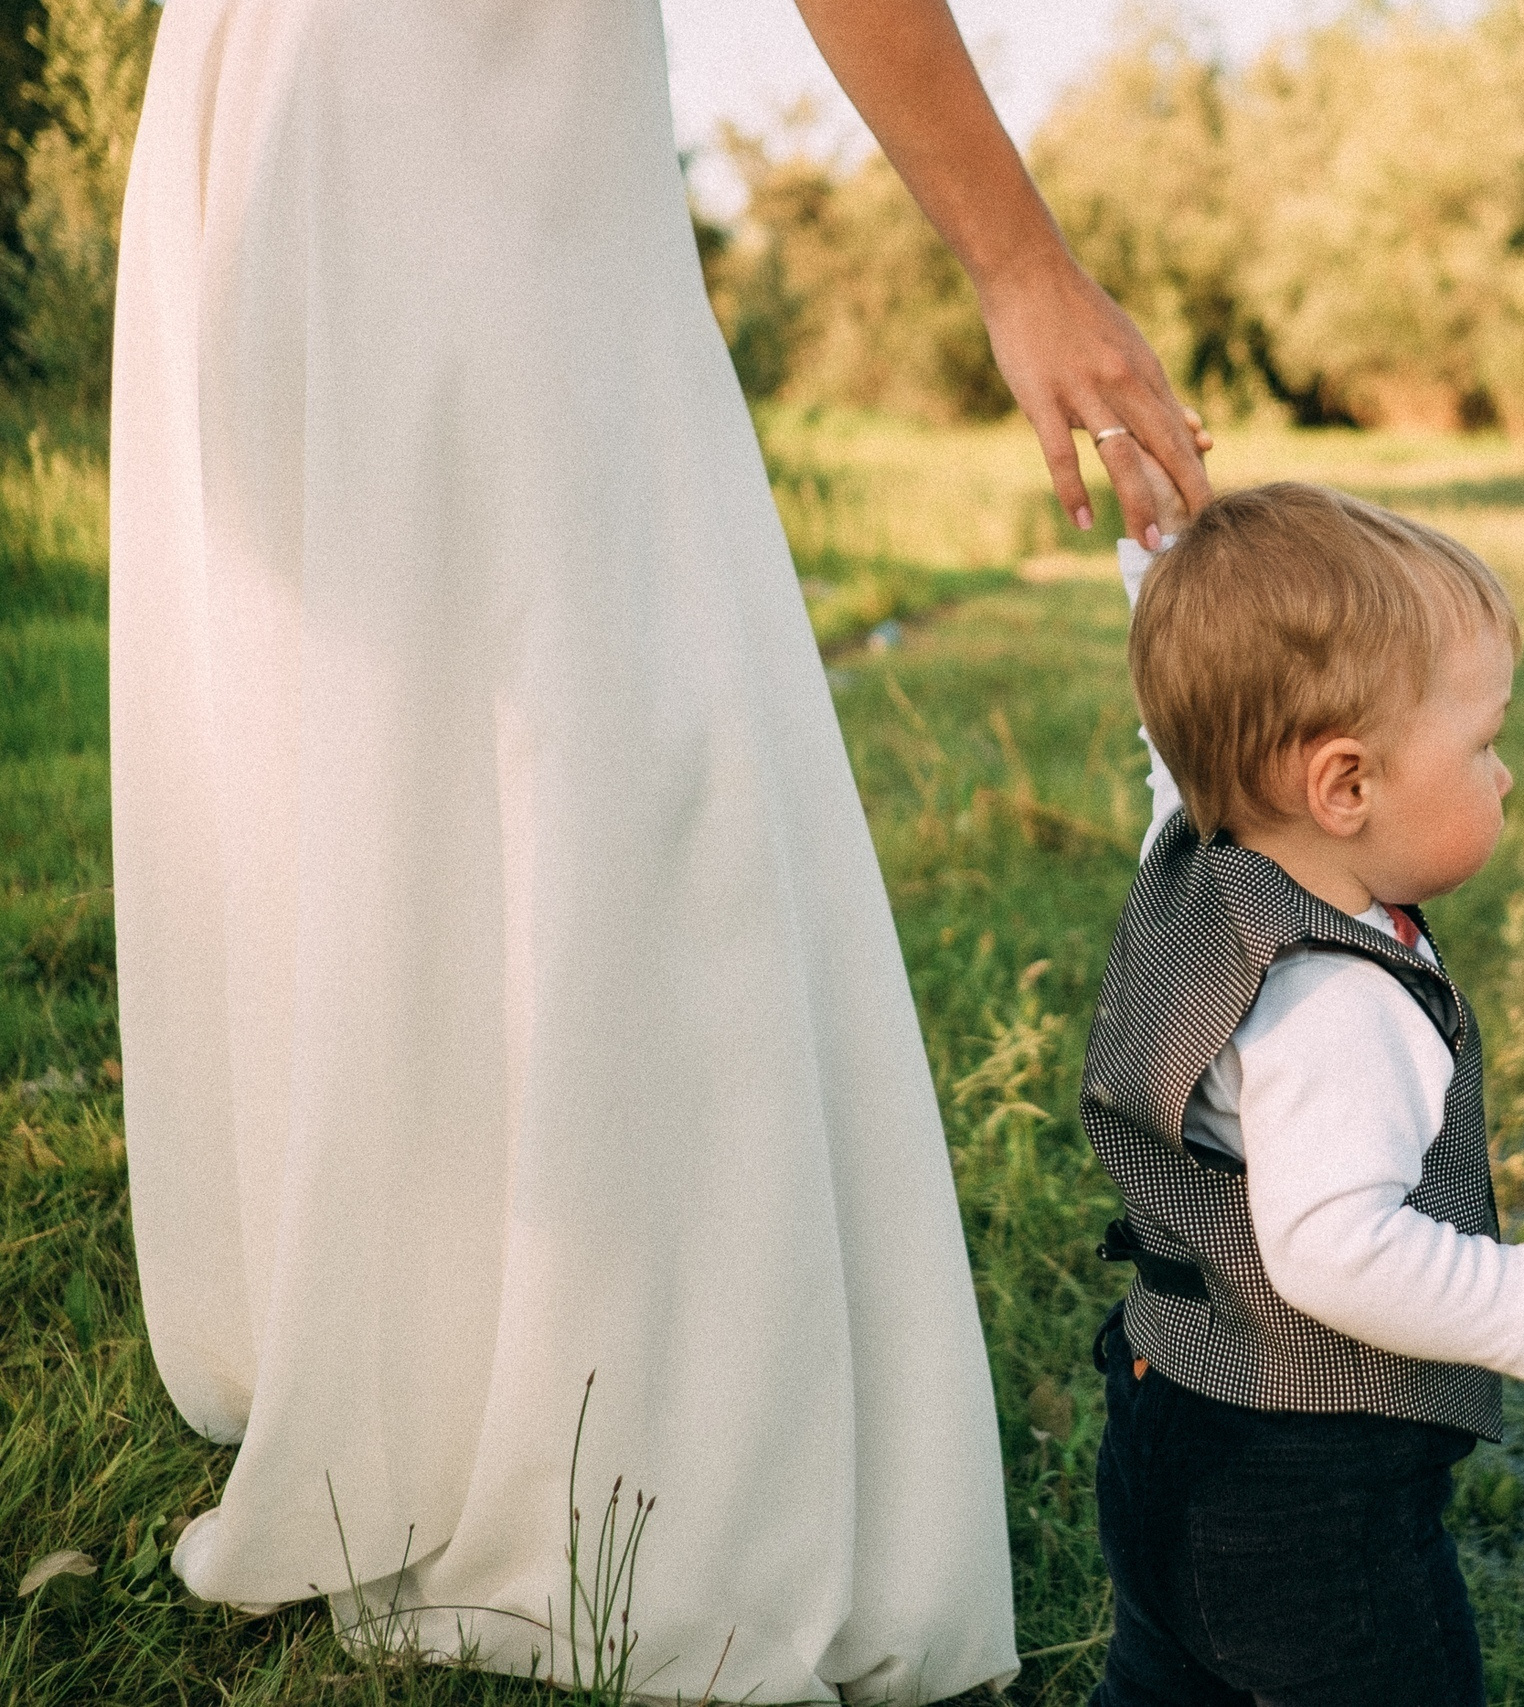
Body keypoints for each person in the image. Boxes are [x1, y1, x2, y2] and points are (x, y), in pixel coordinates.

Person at [110, 1, 1204, 1701]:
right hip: (440, 94)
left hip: (294, 88)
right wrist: (1019, 263)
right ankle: (603, 1426)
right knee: (594, 712)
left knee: (400, 730)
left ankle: (423, 1346)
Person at [1080, 478, 1524, 1705]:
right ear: (1344, 787)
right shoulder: (1340, 1004)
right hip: (1307, 1501)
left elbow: (1171, 752)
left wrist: (1159, 563)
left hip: (1168, 1410)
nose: (1505, 777)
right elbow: (1332, 1251)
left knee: (1167, 1684)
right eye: (1482, 743)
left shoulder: (1201, 849)